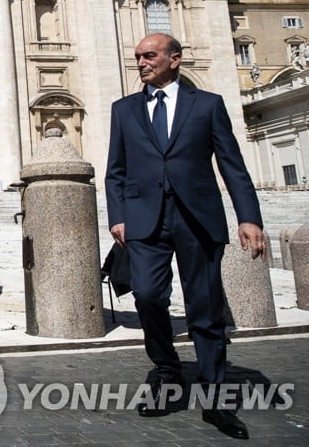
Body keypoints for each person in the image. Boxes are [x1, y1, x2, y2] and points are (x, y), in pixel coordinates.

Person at [105, 33, 264, 439]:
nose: (141, 62)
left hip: (198, 218)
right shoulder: (123, 109)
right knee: (146, 294)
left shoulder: (207, 104)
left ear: (175, 59)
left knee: (206, 309)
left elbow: (232, 164)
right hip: (144, 220)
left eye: (150, 55)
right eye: (138, 56)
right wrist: (118, 217)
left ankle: (215, 399)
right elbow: (115, 170)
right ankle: (166, 369)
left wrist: (249, 217)